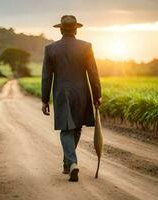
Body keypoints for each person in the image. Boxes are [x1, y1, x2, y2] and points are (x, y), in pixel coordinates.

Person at [41, 15, 102, 182]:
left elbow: (47, 77)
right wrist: (97, 95)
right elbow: (93, 74)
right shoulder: (86, 47)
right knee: (76, 129)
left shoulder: (50, 49)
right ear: (76, 30)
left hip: (61, 94)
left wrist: (45, 99)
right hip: (81, 94)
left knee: (66, 130)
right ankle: (68, 163)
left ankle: (72, 163)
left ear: (60, 29)